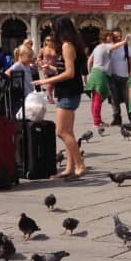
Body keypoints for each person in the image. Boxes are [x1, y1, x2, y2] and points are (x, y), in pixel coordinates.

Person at [33, 16, 88, 179]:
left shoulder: (67, 45)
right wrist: (49, 67)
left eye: (53, 28)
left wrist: (46, 80)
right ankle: (70, 168)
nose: (52, 32)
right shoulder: (70, 45)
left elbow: (70, 73)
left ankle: (79, 164)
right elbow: (67, 69)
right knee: (68, 131)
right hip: (70, 90)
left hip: (68, 91)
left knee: (61, 131)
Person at [84, 31, 120, 128]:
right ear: (104, 37)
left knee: (96, 99)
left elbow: (89, 60)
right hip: (100, 74)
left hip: (96, 72)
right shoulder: (105, 46)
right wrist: (125, 41)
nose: (111, 38)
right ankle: (96, 122)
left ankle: (98, 120)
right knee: (97, 99)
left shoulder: (97, 47)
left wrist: (90, 72)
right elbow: (115, 46)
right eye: (109, 36)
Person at [107, 29, 131, 127]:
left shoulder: (126, 46)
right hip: (112, 76)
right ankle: (117, 118)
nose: (118, 38)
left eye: (120, 36)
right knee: (114, 99)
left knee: (128, 99)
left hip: (124, 76)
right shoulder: (109, 47)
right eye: (116, 37)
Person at [37, 36, 58, 103]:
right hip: (46, 68)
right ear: (45, 41)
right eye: (47, 40)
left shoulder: (56, 49)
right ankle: (50, 97)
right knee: (49, 83)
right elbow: (38, 58)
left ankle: (49, 95)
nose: (49, 41)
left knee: (53, 83)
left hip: (54, 68)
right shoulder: (43, 49)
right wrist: (41, 64)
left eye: (51, 40)